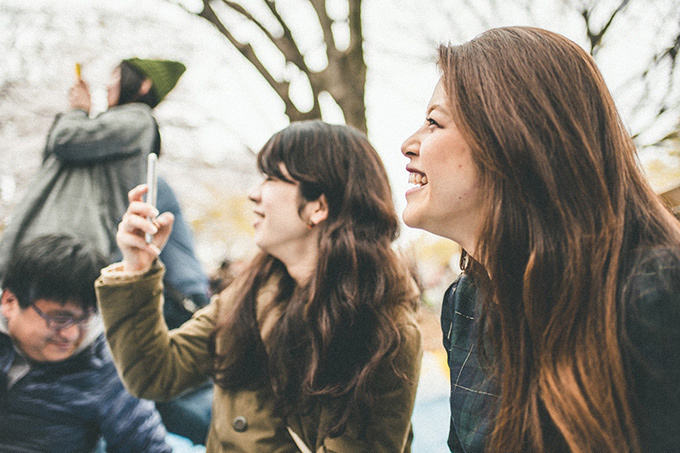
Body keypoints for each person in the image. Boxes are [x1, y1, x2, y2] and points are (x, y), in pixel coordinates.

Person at [400, 26, 680, 452]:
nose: (409, 144)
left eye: (435, 122)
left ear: (510, 139)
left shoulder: (652, 292)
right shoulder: (465, 304)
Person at [95, 120, 423, 451]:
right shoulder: (254, 291)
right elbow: (155, 373)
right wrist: (137, 268)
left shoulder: (382, 331)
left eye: (271, 177)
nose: (254, 193)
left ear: (318, 207)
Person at [0, 57, 213, 443]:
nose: (108, 88)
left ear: (142, 86)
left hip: (72, 258)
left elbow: (67, 141)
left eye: (115, 79)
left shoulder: (137, 120)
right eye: (60, 320)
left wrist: (78, 111)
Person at [0, 234, 171, 452]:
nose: (71, 334)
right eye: (59, 319)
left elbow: (149, 447)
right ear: (10, 302)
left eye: (84, 319)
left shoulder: (106, 371)